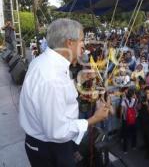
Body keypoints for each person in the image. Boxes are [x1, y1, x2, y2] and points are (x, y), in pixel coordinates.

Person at [19, 18, 110, 167]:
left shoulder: (44, 62)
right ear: (69, 43)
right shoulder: (51, 77)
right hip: (51, 148)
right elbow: (58, 132)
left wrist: (78, 81)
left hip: (46, 144)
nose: (84, 46)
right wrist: (94, 118)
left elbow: (57, 94)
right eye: (81, 40)